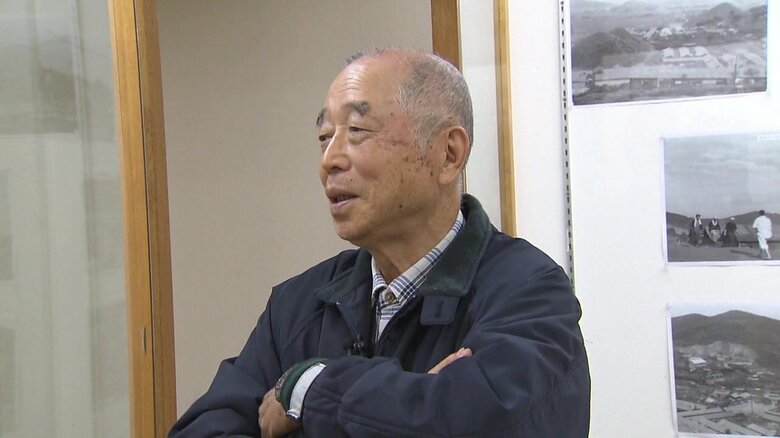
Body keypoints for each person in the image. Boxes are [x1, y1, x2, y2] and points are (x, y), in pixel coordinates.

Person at [169, 48, 590, 437]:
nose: (329, 160)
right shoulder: (298, 305)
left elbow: (480, 421)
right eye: (324, 137)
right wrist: (406, 404)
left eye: (357, 131)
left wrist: (308, 386)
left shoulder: (529, 293)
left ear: (448, 154)